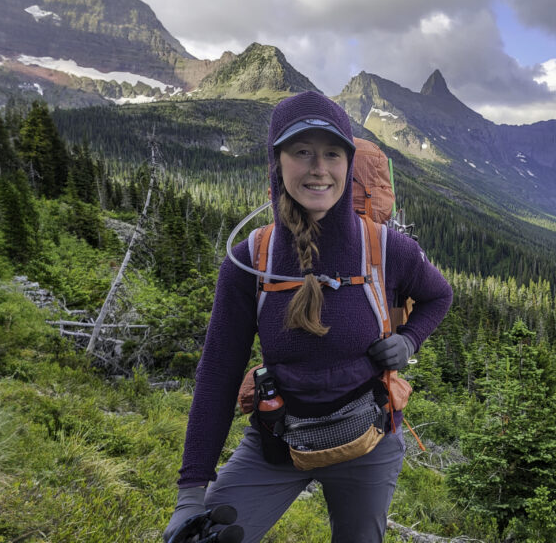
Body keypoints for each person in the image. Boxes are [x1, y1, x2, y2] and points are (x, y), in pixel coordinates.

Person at [163, 91, 453, 543]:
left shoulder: (386, 248)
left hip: (369, 441)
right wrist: (190, 493)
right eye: (302, 152)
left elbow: (439, 296)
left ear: (348, 164)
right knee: (200, 538)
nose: (319, 168)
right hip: (277, 442)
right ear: (278, 162)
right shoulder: (250, 259)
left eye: (332, 153)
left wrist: (410, 340)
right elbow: (217, 372)